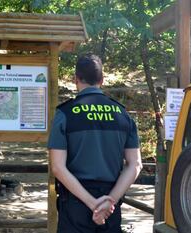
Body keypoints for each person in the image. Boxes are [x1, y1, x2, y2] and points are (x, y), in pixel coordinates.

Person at [48, 54, 142, 233]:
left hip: (75, 203)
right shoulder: (123, 115)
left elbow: (58, 168)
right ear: (102, 80)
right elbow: (135, 164)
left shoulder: (65, 114)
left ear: (76, 79)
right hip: (110, 206)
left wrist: (93, 204)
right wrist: (108, 202)